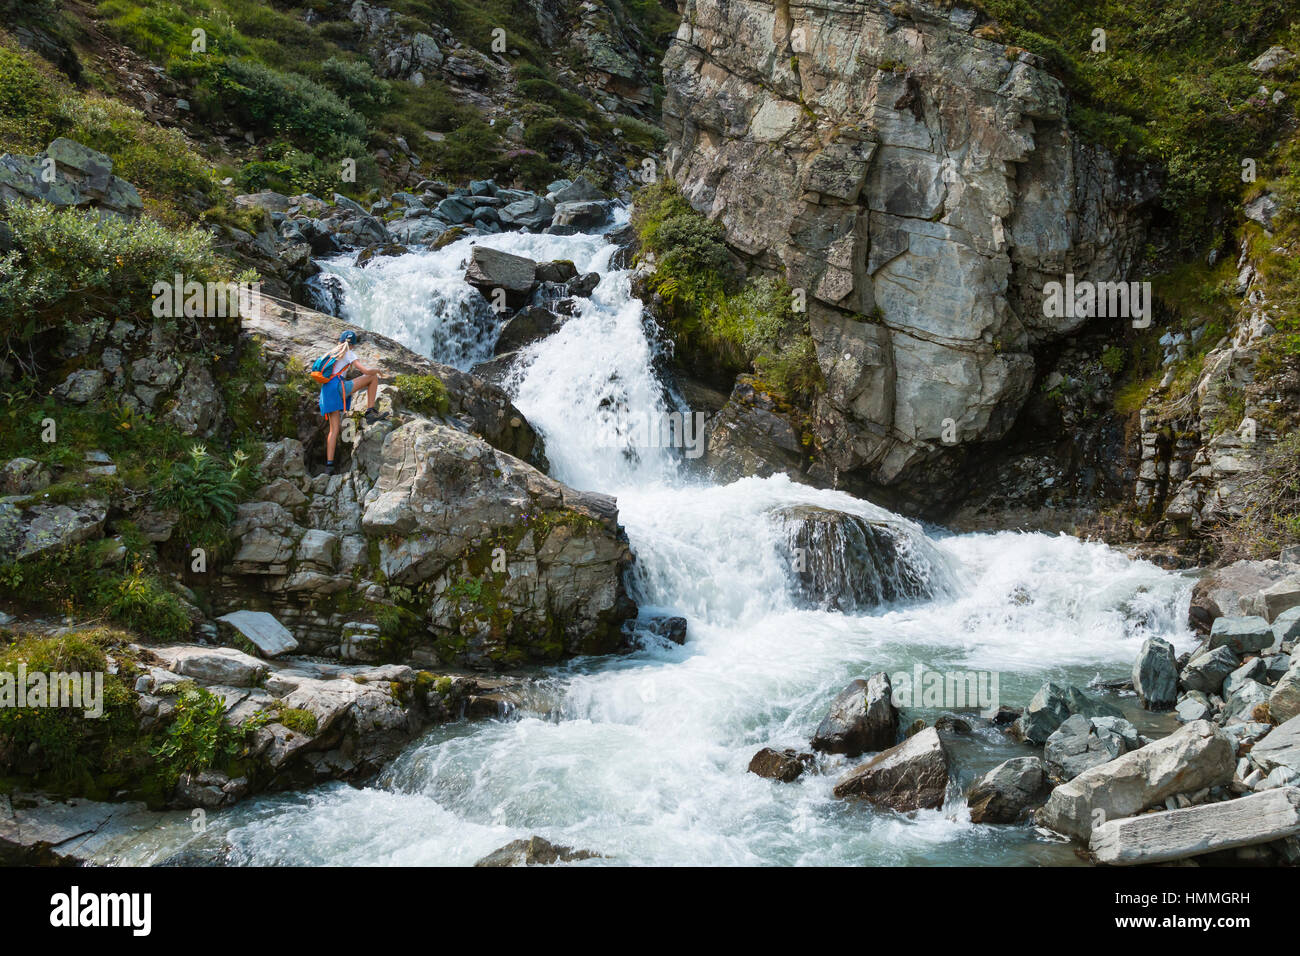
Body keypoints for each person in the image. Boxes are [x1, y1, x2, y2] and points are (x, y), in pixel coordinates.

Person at [318, 330, 387, 474]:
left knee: (334, 430)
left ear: (340, 340)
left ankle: (329, 466)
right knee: (372, 378)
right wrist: (377, 370)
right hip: (338, 387)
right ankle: (370, 412)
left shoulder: (331, 352)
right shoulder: (349, 353)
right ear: (353, 345)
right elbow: (366, 371)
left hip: (326, 392)